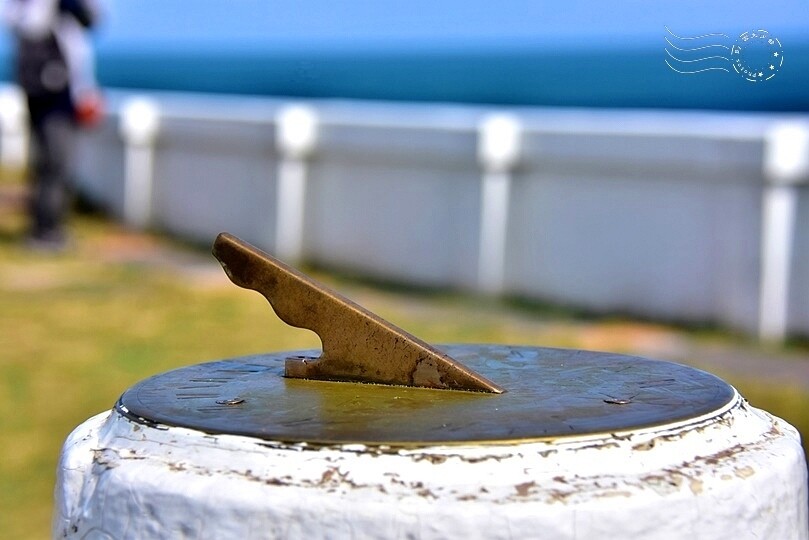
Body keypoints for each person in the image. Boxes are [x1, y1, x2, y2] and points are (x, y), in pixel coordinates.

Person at [5, 0, 101, 250]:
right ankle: (45, 230)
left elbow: (91, 20)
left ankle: (51, 226)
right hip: (48, 97)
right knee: (53, 162)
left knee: (58, 163)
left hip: (64, 96)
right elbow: (30, 25)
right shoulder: (34, 9)